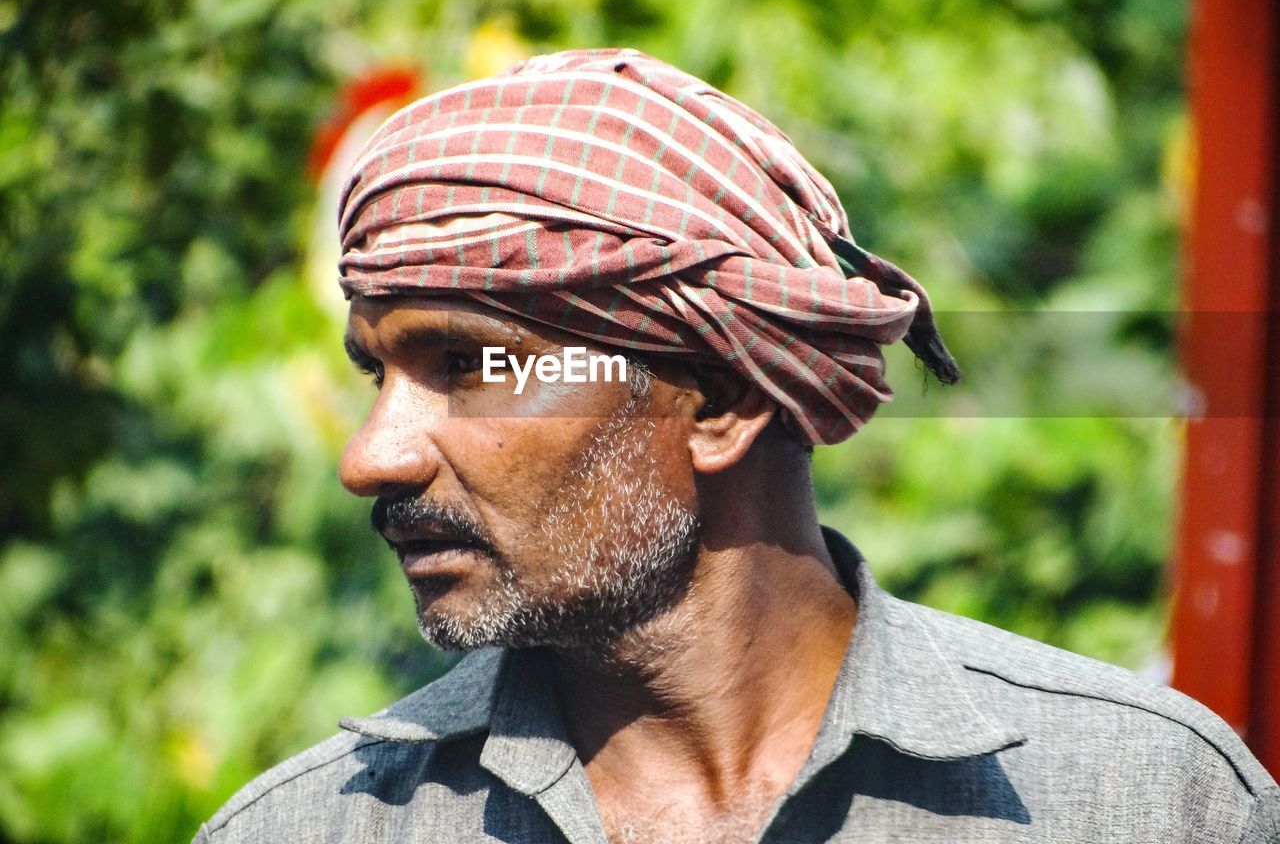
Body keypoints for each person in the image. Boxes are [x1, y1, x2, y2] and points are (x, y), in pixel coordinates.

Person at [194, 49, 1280, 844]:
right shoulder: (316, 826)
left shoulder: (1135, 801)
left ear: (715, 400)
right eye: (374, 372)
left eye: (474, 366)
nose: (369, 456)